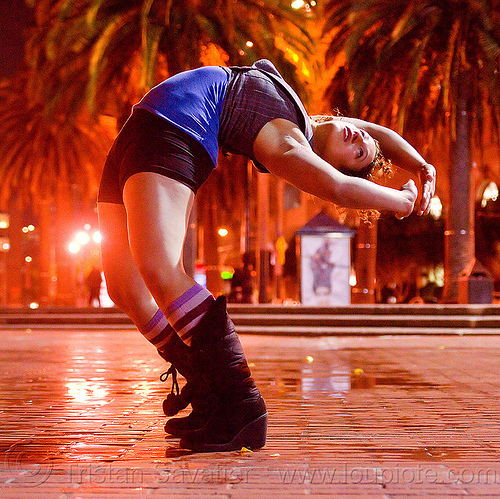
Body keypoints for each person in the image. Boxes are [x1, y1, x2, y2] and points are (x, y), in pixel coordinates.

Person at [97, 59, 436, 453]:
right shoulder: (304, 118)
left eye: (358, 152)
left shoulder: (289, 144)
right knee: (123, 287)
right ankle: (208, 388)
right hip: (138, 128)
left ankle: (240, 406)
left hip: (175, 129)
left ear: (325, 163)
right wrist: (420, 165)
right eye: (361, 136)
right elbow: (378, 133)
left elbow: (340, 187)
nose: (359, 137)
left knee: (158, 266)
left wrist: (402, 200)